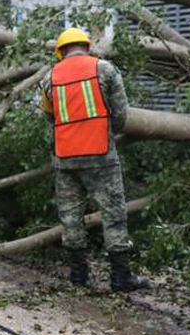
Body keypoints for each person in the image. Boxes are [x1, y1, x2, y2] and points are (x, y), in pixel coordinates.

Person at [40, 28, 147, 292]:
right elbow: (121, 115)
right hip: (100, 154)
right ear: (87, 47)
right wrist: (111, 131)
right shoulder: (105, 69)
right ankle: (120, 277)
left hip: (65, 158)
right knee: (113, 214)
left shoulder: (48, 78)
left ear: (60, 51)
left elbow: (48, 116)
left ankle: (78, 276)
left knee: (70, 216)